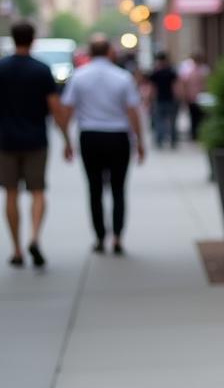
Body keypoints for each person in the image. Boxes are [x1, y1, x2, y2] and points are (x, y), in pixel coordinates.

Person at [61, 34, 145, 255]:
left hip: (90, 136)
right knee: (118, 188)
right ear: (110, 52)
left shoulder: (79, 77)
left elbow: (66, 111)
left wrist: (66, 140)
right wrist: (139, 141)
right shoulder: (123, 77)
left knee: (94, 189)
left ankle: (99, 237)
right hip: (117, 137)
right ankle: (117, 236)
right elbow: (132, 112)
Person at [0, 21, 74, 267]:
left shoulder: (2, 68)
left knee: (11, 193)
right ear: (33, 40)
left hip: (5, 141)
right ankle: (34, 237)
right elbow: (56, 109)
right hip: (35, 140)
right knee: (38, 192)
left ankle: (17, 249)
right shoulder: (41, 70)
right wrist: (66, 139)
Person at [147, 51, 180, 149]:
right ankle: (173, 140)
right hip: (171, 99)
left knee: (159, 121)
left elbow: (152, 88)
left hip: (160, 100)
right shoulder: (171, 72)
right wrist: (178, 97)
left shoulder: (155, 72)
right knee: (172, 121)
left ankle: (160, 140)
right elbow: (176, 86)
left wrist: (149, 99)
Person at [177, 51, 210, 141]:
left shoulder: (204, 69)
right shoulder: (188, 68)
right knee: (194, 116)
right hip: (192, 97)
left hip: (201, 97)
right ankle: (194, 134)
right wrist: (184, 95)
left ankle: (199, 134)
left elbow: (207, 82)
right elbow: (183, 83)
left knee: (200, 116)